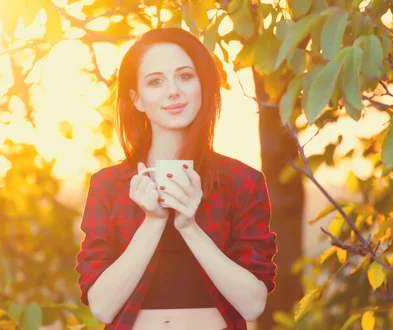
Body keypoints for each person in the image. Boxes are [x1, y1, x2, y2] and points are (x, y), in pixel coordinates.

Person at [74, 27, 278, 330]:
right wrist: (153, 222)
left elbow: (252, 304)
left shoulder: (242, 182)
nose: (173, 91)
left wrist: (189, 226)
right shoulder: (109, 185)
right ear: (138, 99)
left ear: (203, 86)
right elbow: (102, 308)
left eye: (185, 76)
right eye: (155, 82)